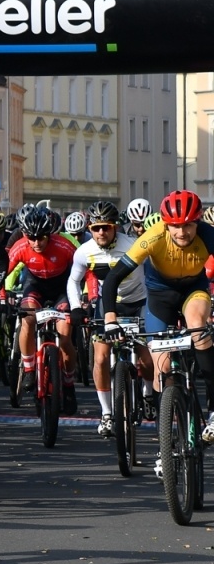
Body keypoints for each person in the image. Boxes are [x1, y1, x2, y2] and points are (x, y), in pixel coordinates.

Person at [100, 190, 214, 443]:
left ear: (199, 222)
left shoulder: (209, 236)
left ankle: (213, 408)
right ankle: (165, 438)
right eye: (175, 226)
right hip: (160, 296)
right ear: (165, 224)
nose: (181, 232)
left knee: (198, 327)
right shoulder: (153, 236)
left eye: (188, 225)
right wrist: (110, 319)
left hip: (193, 291)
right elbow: (112, 279)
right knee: (161, 369)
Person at [69, 201, 146, 437]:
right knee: (101, 359)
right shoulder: (83, 251)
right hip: (108, 304)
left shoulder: (133, 245)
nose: (101, 232)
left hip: (139, 302)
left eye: (106, 227)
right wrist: (75, 308)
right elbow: (74, 281)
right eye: (96, 228)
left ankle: (149, 395)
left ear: (115, 227)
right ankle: (106, 413)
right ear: (90, 228)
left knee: (147, 358)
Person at [6, 203, 79, 413]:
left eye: (41, 237)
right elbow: (4, 272)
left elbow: (84, 271)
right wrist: (1, 293)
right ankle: (29, 368)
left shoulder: (64, 246)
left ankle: (68, 383)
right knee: (27, 320)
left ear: (49, 235)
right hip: (35, 286)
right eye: (31, 237)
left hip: (62, 289)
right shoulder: (21, 246)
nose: (36, 242)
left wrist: (85, 298)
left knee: (65, 336)